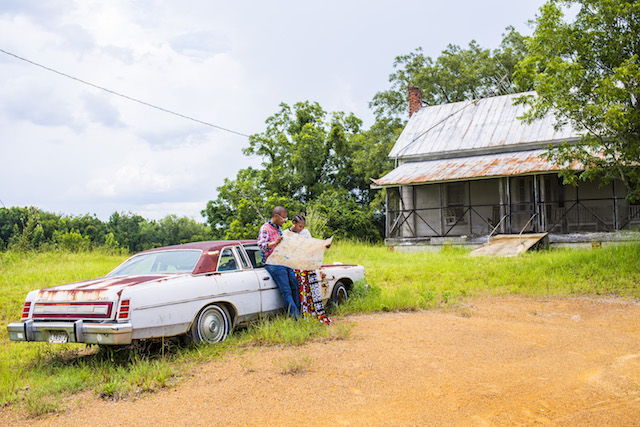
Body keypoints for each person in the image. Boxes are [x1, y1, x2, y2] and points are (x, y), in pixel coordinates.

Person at [258, 206, 301, 318]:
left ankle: (300, 313)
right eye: (283, 219)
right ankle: (296, 317)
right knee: (286, 289)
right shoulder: (265, 228)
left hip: (283, 260)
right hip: (273, 262)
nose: (284, 221)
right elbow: (262, 246)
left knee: (295, 285)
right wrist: (274, 243)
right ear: (276, 216)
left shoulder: (278, 228)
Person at [289, 214, 331, 325]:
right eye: (299, 226)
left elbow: (312, 245)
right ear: (294, 223)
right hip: (296, 267)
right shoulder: (286, 234)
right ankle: (304, 315)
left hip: (308, 265)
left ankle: (315, 314)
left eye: (303, 226)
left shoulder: (305, 233)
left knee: (312, 290)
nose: (301, 229)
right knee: (302, 291)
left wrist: (323, 245)